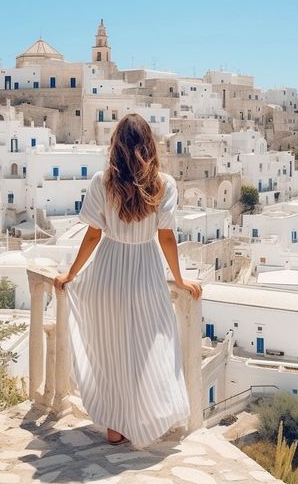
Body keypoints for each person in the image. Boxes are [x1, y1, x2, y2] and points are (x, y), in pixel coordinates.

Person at [53, 113, 201, 447]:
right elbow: (166, 238)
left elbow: (92, 235)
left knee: (110, 351)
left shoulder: (101, 182)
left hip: (106, 272)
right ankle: (143, 419)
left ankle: (115, 426)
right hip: (145, 273)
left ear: (116, 145)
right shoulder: (164, 184)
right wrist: (179, 278)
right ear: (149, 144)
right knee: (150, 350)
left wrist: (71, 275)